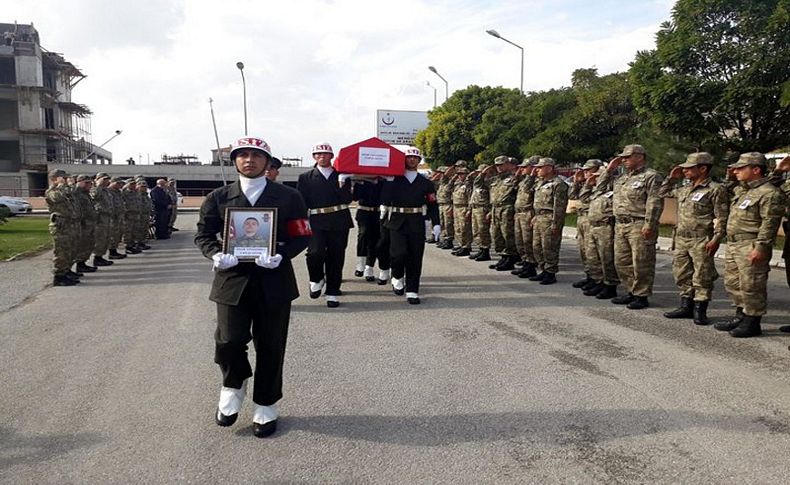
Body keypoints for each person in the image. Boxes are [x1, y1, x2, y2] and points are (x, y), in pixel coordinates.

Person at [195, 135, 311, 438]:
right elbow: (203, 234)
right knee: (229, 341)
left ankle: (266, 404)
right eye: (242, 155)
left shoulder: (288, 197)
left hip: (274, 281)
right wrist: (215, 253)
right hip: (232, 281)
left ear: (267, 162)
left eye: (256, 155)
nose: (249, 160)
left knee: (271, 346)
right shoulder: (219, 197)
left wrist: (282, 254)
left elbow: (302, 234)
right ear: (234, 161)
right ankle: (234, 384)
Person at [713, 152, 786, 338]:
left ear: (755, 170)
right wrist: (730, 178)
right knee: (733, 282)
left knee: (752, 284)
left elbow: (769, 224)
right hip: (734, 244)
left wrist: (761, 248)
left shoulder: (770, 193)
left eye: (740, 168)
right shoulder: (743, 190)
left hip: (751, 244)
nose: (735, 171)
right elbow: (723, 191)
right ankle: (741, 315)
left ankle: (753, 322)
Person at [659, 153, 728, 325]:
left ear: (703, 168)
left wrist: (717, 239)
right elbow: (661, 192)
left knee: (702, 275)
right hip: (681, 238)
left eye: (689, 168)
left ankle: (700, 309)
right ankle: (686, 306)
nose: (684, 170)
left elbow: (722, 217)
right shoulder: (684, 188)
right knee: (681, 273)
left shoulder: (715, 189)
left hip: (701, 239)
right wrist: (671, 178)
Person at [599, 144, 664, 309]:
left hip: (639, 224)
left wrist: (650, 224)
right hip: (621, 224)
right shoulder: (622, 178)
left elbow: (654, 202)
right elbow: (600, 188)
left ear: (640, 157)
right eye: (623, 157)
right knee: (622, 262)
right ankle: (630, 291)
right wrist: (609, 170)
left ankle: (641, 295)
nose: (624, 160)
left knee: (641, 262)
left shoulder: (651, 176)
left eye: (627, 157)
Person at [380, 147, 441, 304]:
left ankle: (413, 289)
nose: (412, 160)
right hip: (397, 220)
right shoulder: (395, 179)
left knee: (415, 256)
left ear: (419, 160)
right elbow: (385, 199)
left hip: (416, 221)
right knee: (398, 253)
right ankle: (397, 276)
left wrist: (436, 224)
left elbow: (432, 204)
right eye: (409, 157)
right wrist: (388, 182)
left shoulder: (426, 183)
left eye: (415, 157)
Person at [297, 143, 354, 308]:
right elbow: (301, 202)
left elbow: (347, 200)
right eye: (318, 154)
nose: (322, 157)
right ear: (314, 157)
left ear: (332, 156)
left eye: (326, 154)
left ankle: (333, 291)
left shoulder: (342, 176)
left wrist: (342, 183)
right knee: (314, 253)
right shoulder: (305, 177)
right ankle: (316, 278)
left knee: (336, 256)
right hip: (316, 220)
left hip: (339, 219)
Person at [528, 158, 569, 285]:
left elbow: (559, 206)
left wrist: (556, 223)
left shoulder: (558, 184)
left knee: (549, 247)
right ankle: (543, 270)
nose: (537, 170)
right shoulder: (540, 183)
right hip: (539, 217)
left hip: (550, 218)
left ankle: (550, 272)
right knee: (536, 246)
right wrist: (535, 216)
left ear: (550, 168)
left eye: (540, 167)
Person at [580, 166, 619, 299]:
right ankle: (598, 281)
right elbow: (583, 198)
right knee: (593, 257)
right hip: (593, 227)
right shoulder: (597, 192)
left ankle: (610, 285)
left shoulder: (615, 191)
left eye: (598, 176)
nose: (595, 178)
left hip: (606, 227)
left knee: (606, 258)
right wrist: (588, 184)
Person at [569, 159, 603, 288]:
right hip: (581, 218)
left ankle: (598, 279)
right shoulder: (585, 183)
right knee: (583, 251)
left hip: (592, 219)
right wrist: (576, 183)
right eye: (585, 170)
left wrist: (589, 184)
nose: (586, 173)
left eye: (589, 170)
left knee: (593, 252)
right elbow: (572, 196)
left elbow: (586, 198)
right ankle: (590, 276)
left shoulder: (601, 184)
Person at [485, 156, 519, 271]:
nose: (499, 167)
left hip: (507, 209)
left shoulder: (514, 178)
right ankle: (503, 257)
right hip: (495, 209)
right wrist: (486, 171)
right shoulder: (495, 179)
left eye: (501, 164)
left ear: (508, 165)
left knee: (507, 235)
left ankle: (510, 258)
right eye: (497, 165)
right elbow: (479, 183)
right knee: (497, 234)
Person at [45, 169, 79, 286]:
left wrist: (70, 185)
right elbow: (57, 198)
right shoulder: (51, 191)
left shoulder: (64, 190)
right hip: (60, 226)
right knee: (61, 251)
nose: (65, 180)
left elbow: (72, 194)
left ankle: (66, 271)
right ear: (55, 178)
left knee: (70, 249)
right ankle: (59, 277)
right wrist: (61, 185)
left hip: (68, 224)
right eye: (63, 178)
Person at [352, 176, 385, 281]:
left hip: (378, 212)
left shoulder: (383, 180)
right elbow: (355, 197)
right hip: (364, 211)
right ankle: (360, 265)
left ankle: (369, 268)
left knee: (375, 241)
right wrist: (359, 181)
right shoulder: (362, 179)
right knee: (363, 235)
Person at [512, 157, 540, 277]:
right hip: (519, 212)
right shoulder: (524, 179)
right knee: (520, 241)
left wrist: (531, 176)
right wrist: (518, 177)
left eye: (525, 167)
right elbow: (514, 188)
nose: (521, 169)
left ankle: (531, 265)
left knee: (528, 241)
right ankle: (525, 262)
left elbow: (528, 190)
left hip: (529, 213)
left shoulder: (536, 180)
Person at [72, 174, 98, 274]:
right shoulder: (76, 192)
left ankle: (82, 263)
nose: (89, 185)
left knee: (89, 243)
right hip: (82, 223)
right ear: (79, 182)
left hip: (89, 222)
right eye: (86, 183)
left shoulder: (85, 193)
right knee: (82, 244)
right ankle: (79, 264)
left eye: (90, 183)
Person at [467, 163, 493, 261]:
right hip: (475, 208)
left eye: (480, 173)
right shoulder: (477, 184)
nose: (478, 175)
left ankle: (485, 250)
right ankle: (481, 249)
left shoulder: (488, 183)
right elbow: (469, 181)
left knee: (483, 231)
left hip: (483, 209)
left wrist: (489, 212)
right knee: (476, 231)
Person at [90, 172, 115, 266]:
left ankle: (101, 256)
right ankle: (97, 258)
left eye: (107, 179)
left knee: (106, 238)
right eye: (104, 179)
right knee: (100, 237)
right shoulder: (95, 188)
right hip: (100, 218)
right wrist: (98, 185)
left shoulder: (106, 190)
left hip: (107, 216)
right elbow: (94, 196)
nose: (106, 181)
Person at [450, 167, 473, 256]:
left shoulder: (468, 185)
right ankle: (461, 245)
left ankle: (466, 246)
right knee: (458, 228)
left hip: (464, 207)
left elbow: (470, 198)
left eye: (462, 174)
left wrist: (469, 210)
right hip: (456, 207)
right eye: (458, 174)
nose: (460, 176)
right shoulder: (457, 184)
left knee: (465, 228)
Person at [107, 176, 128, 259]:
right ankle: (112, 252)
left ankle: (114, 251)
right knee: (112, 235)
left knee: (117, 234)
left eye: (120, 183)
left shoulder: (118, 192)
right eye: (118, 183)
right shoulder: (108, 191)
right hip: (112, 217)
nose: (120, 185)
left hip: (119, 216)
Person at [436, 166, 456, 249]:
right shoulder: (442, 183)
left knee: (448, 224)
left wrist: (450, 169)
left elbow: (446, 175)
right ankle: (445, 239)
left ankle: (449, 241)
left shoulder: (450, 182)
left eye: (442, 173)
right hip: (441, 204)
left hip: (448, 204)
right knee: (442, 223)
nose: (440, 175)